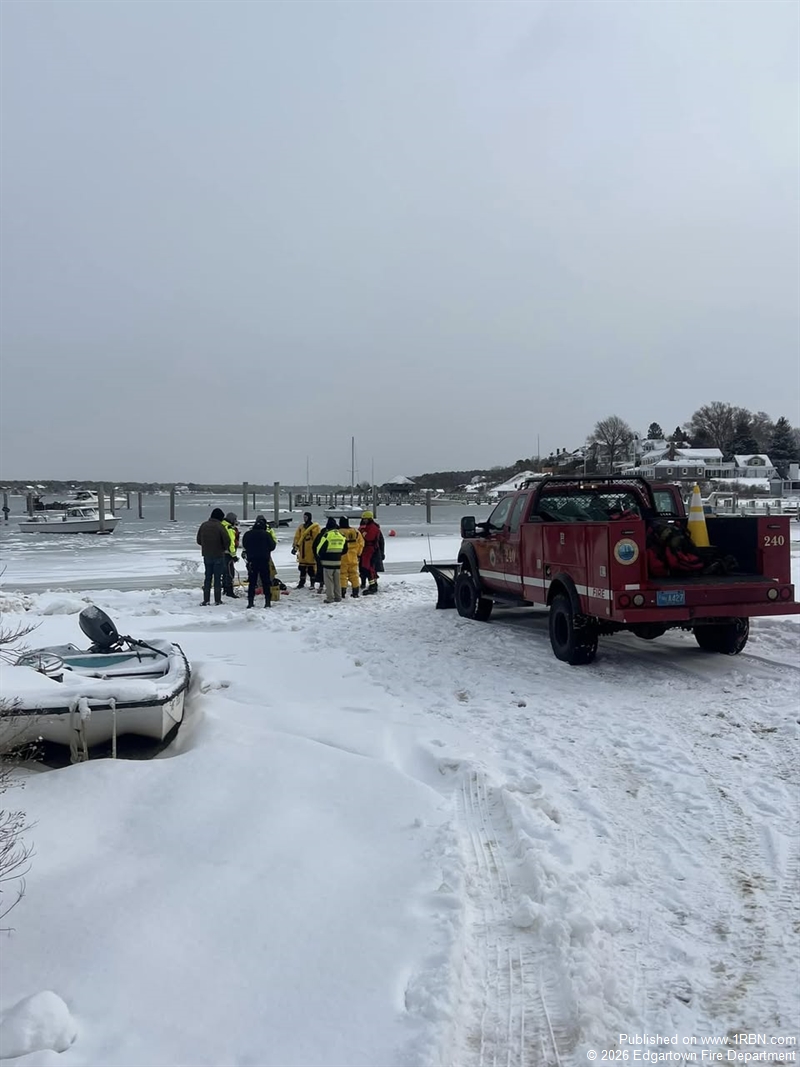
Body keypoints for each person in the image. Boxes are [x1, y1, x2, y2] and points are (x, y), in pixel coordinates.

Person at [241, 515, 277, 608]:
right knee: (266, 581)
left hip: (252, 561)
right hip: (264, 561)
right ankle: (267, 602)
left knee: (252, 582)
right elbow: (272, 546)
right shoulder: (266, 534)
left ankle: (250, 602)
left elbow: (244, 544)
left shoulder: (248, 534)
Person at [196, 508, 230, 606]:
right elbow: (227, 540)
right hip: (218, 555)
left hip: (207, 555)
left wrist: (206, 546)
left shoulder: (203, 525)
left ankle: (206, 600)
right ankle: (217, 600)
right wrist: (223, 548)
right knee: (217, 578)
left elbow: (198, 540)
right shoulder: (220, 527)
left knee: (207, 578)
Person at [315, 518, 347, 603]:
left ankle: (330, 598)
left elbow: (319, 549)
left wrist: (321, 557)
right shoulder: (341, 535)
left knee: (328, 580)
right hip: (338, 561)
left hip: (327, 562)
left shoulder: (327, 535)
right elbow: (345, 549)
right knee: (337, 580)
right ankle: (338, 597)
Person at [291, 512, 321, 589]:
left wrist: (317, 550)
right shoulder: (301, 527)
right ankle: (301, 583)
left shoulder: (315, 527)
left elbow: (317, 539)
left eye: (306, 517)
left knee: (311, 569)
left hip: (311, 551)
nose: (304, 519)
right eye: (304, 517)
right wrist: (295, 547)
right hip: (302, 550)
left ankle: (312, 583)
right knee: (302, 568)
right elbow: (297, 537)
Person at [358, 511, 385, 595]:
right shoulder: (366, 527)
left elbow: (368, 537)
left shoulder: (372, 528)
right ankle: (369, 583)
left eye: (365, 519)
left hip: (371, 551)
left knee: (370, 569)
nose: (364, 520)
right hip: (365, 551)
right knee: (365, 568)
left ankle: (373, 586)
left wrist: (361, 533)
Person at [338, 517, 364, 598]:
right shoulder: (356, 532)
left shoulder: (339, 532)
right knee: (354, 574)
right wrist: (358, 554)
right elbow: (361, 543)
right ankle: (355, 592)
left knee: (342, 575)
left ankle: (342, 592)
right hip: (353, 557)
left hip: (342, 557)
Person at [221, 512, 240, 598]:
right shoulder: (229, 528)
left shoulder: (222, 525)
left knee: (225, 572)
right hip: (228, 554)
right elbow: (231, 543)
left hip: (221, 553)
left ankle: (225, 589)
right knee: (230, 573)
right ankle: (229, 591)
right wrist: (234, 555)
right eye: (235, 520)